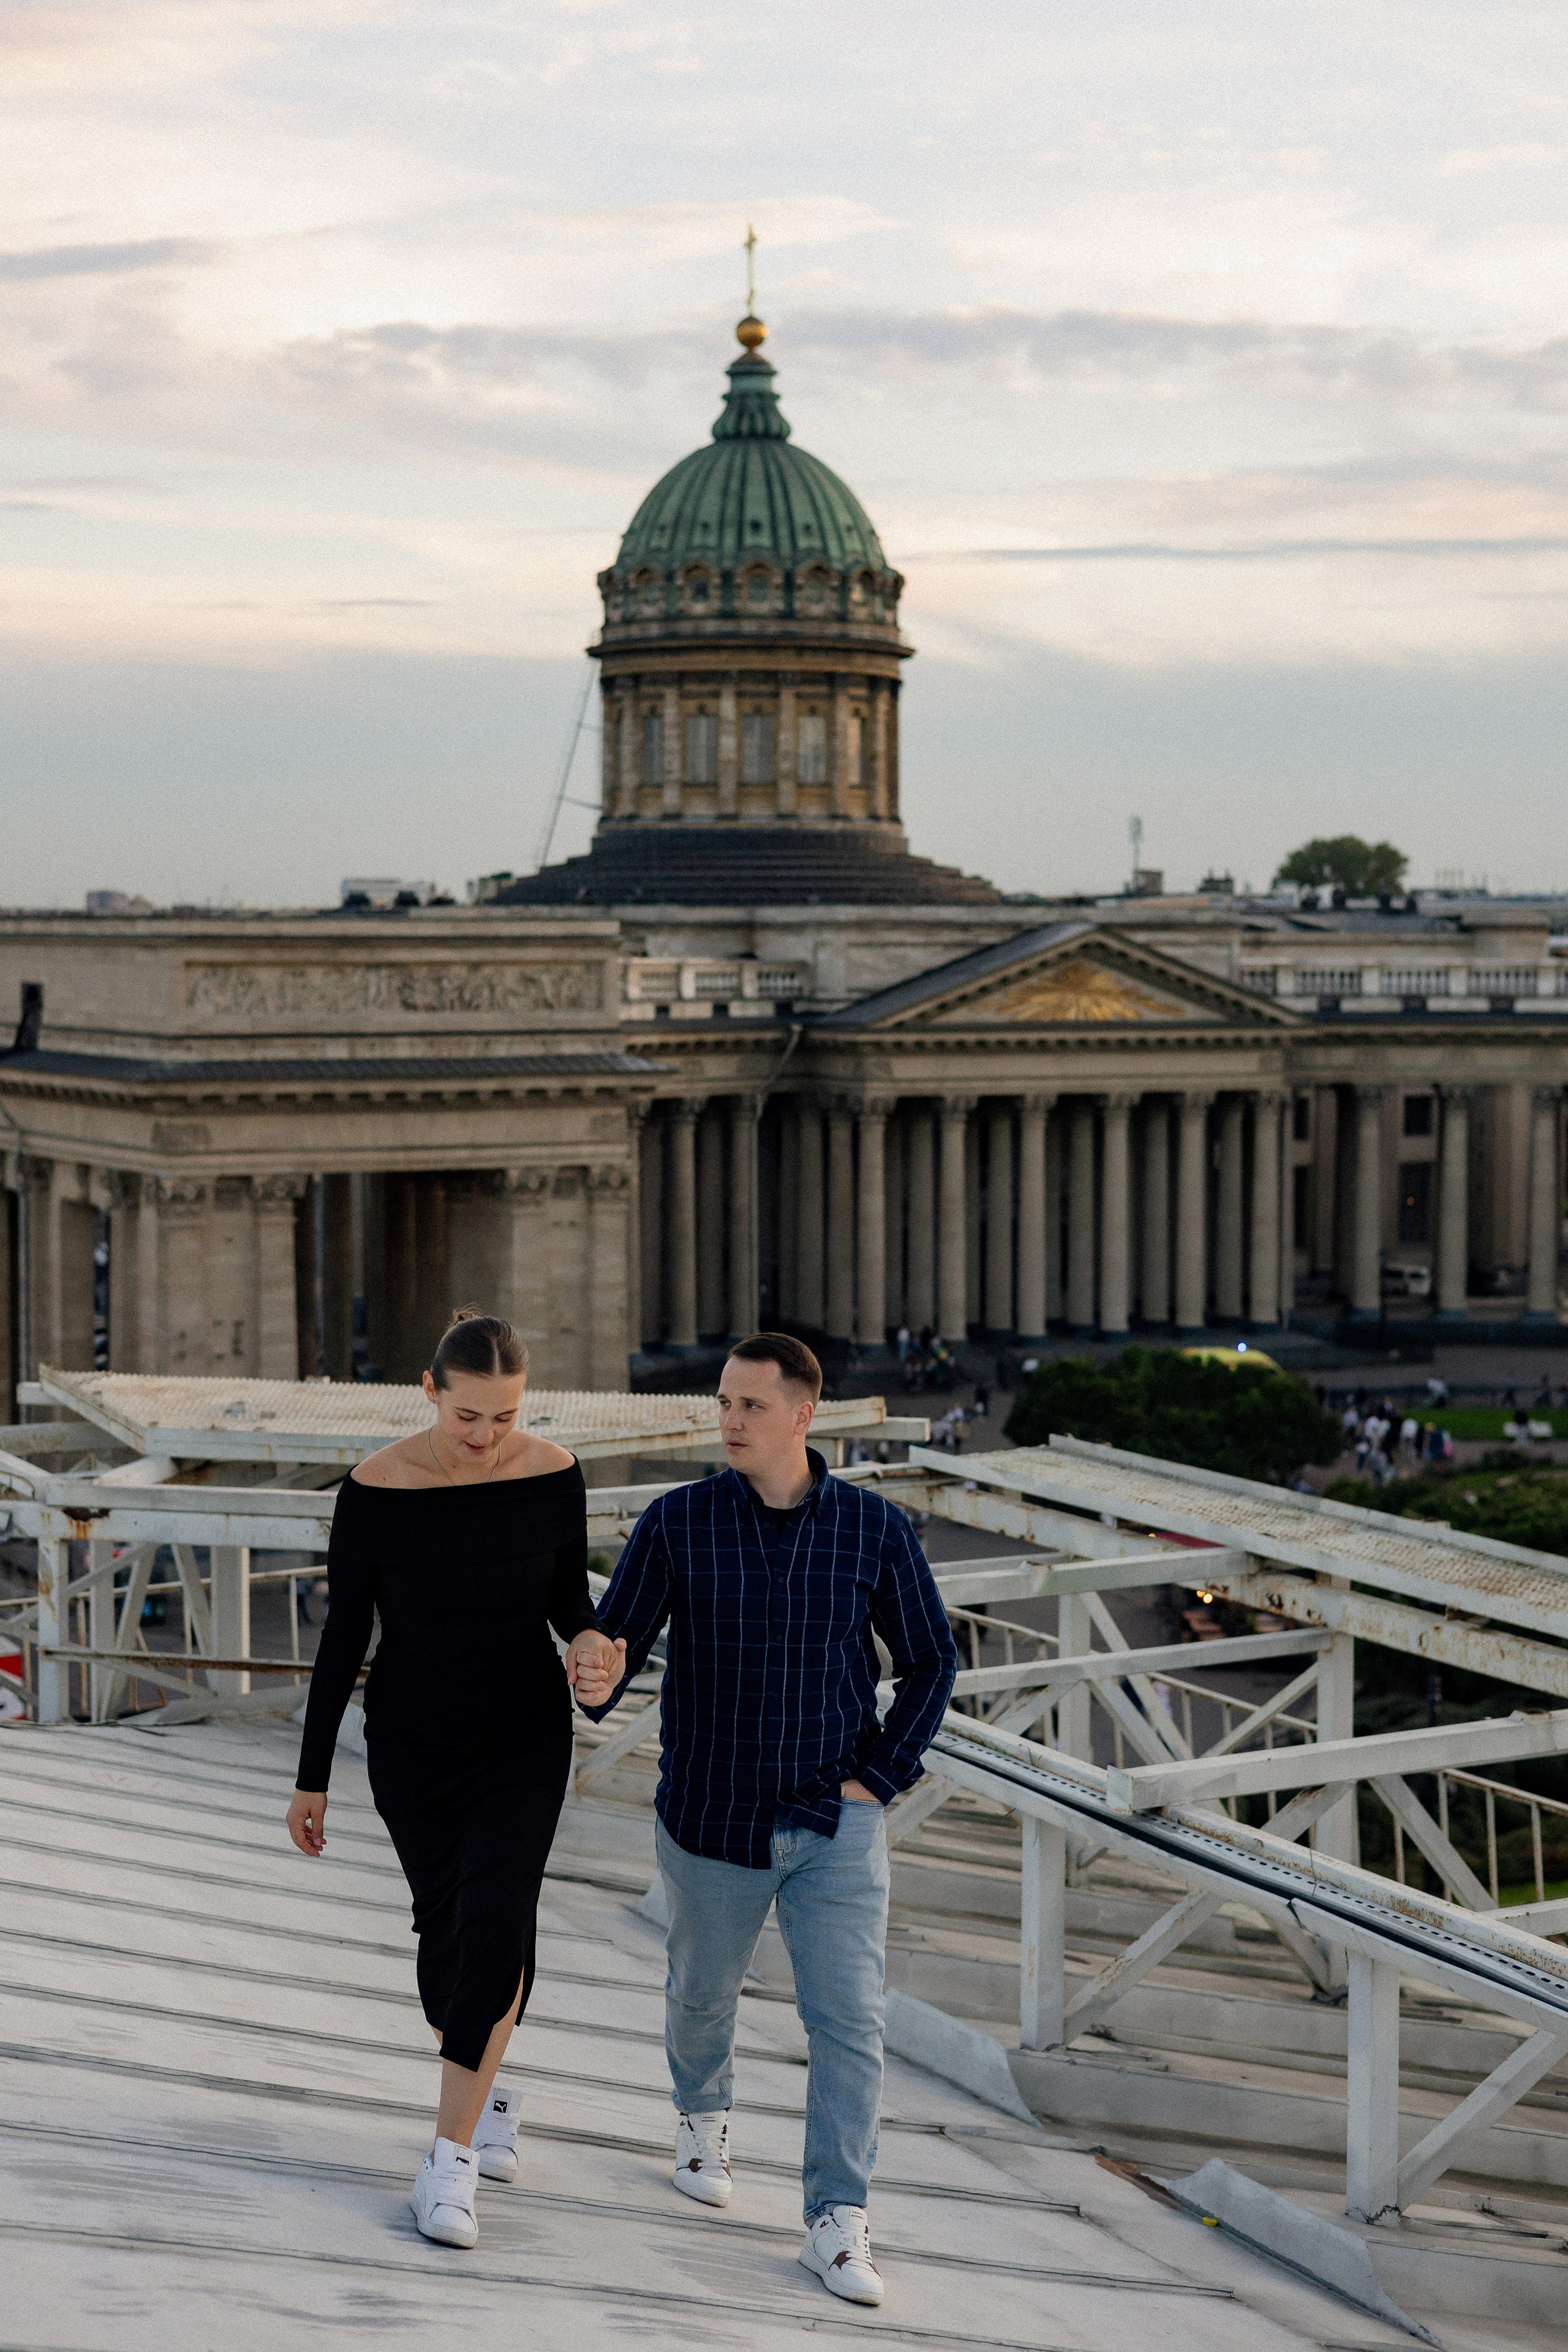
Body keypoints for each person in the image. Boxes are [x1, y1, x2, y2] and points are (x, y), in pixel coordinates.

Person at [581, 1332, 958, 2309]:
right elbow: (615, 1640)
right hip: (712, 1816)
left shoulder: (874, 1530)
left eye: (752, 1406)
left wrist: (881, 1776)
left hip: (836, 1820)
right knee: (702, 1995)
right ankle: (702, 2115)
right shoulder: (677, 1522)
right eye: (724, 1403)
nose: (731, 1421)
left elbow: (931, 1661)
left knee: (850, 2023)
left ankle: (837, 2218)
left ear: (803, 1415)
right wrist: (597, 1670)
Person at [286, 1310, 623, 2252]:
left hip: (523, 1739)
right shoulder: (374, 1490)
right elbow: (343, 1641)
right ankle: (487, 2082)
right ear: (429, 1391)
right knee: (449, 1946)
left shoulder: (553, 1475)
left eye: (505, 1418)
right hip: (412, 1747)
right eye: (469, 1416)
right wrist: (313, 1778)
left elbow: (571, 1603)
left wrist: (594, 1643)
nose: (486, 1438)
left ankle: (449, 2161)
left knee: (499, 1921)